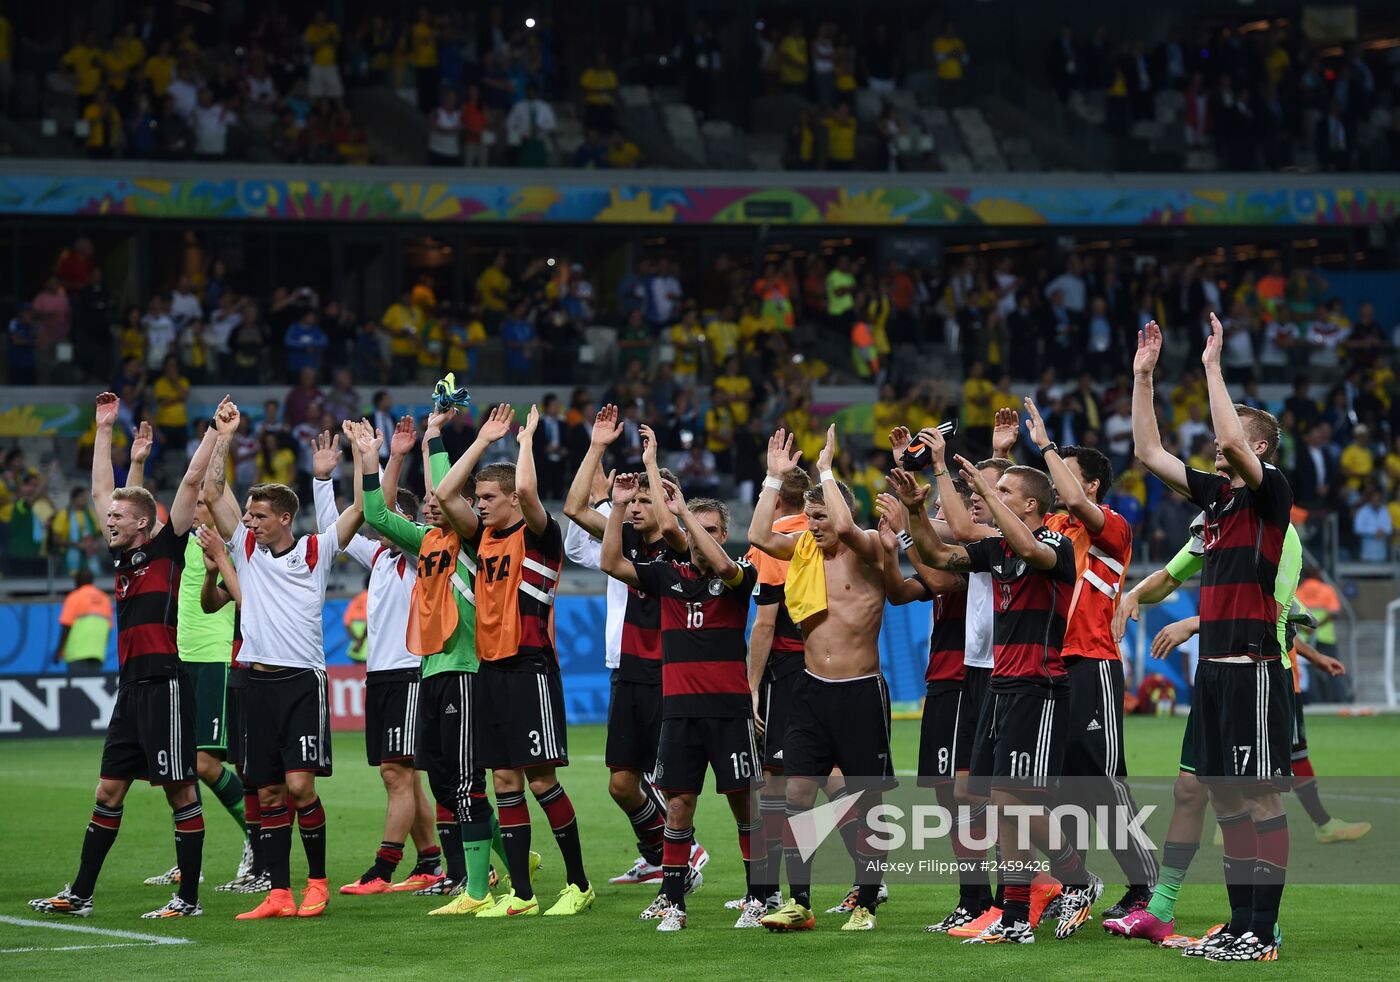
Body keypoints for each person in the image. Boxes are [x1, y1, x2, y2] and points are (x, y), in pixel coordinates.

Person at [893, 433, 1102, 944]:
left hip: (1039, 685)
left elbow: (1028, 547)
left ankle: (1071, 881)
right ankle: (1014, 913)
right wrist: (916, 513)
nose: (992, 496)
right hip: (999, 685)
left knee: (1013, 801)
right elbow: (940, 556)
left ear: (1030, 504)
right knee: (993, 798)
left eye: (1003, 491)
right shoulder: (996, 551)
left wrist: (956, 482)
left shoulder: (1054, 544)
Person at [1127, 315, 1292, 962]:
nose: (1217, 444)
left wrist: (1211, 367)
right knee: (1227, 799)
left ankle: (1262, 931)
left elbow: (1228, 432)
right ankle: (1239, 924)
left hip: (1252, 668)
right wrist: (1143, 379)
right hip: (1214, 674)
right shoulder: (1219, 503)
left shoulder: (1268, 491)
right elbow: (1149, 454)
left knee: (1259, 795)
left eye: (1234, 440)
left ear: (1258, 450)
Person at [30, 390, 225, 919]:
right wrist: (103, 428)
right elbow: (99, 488)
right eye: (109, 515)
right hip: (132, 687)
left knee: (180, 790)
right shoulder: (122, 559)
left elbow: (188, 483)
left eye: (119, 515)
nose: (108, 520)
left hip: (165, 682)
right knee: (108, 789)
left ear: (143, 522)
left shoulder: (165, 546)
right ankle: (81, 893)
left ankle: (187, 900)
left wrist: (212, 428)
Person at [203, 416, 365, 920]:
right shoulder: (245, 550)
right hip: (252, 681)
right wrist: (223, 436)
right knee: (268, 789)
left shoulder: (317, 551)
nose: (249, 522)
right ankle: (277, 893)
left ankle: (317, 883)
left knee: (299, 787)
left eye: (259, 515)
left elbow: (362, 509)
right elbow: (211, 489)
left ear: (284, 519)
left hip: (300, 680)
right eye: (248, 514)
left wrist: (340, 468)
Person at [435, 404, 594, 917]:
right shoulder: (483, 538)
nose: (477, 505)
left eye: (487, 497)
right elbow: (443, 494)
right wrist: (481, 441)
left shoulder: (540, 538)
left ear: (509, 500)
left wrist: (524, 442)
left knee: (541, 779)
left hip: (531, 669)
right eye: (477, 498)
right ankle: (523, 893)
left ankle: (579, 884)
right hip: (491, 671)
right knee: (504, 781)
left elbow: (528, 492)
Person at [358, 407, 514, 914]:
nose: (429, 505)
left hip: (468, 669)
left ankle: (476, 888)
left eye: (436, 499)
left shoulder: (475, 539)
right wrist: (370, 461)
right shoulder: (424, 541)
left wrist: (438, 439)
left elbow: (447, 489)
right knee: (445, 782)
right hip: (430, 671)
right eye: (424, 502)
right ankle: (512, 862)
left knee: (466, 782)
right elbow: (377, 516)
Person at [749, 426, 895, 932]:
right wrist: (772, 479)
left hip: (859, 691)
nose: (813, 526)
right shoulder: (804, 549)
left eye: (821, 517)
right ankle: (801, 902)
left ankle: (867, 902)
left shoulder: (869, 548)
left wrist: (828, 469)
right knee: (796, 797)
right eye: (809, 517)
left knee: (863, 800)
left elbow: (851, 529)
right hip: (809, 690)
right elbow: (758, 537)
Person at [1020, 397, 1159, 916]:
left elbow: (1076, 505)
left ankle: (1145, 886)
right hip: (1049, 665)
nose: (1055, 482)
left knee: (1103, 781)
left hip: (1092, 660)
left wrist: (1047, 445)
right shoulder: (1051, 526)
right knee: (1051, 783)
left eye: (1065, 474)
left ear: (1092, 484)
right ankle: (1075, 883)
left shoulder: (1111, 525)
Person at [602, 476, 759, 932]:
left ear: (724, 537)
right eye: (696, 531)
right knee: (678, 806)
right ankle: (673, 901)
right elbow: (611, 561)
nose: (703, 538)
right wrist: (616, 507)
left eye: (713, 531)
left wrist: (686, 517)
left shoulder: (741, 575)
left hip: (729, 710)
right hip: (679, 712)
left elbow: (725, 569)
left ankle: (758, 895)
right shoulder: (667, 576)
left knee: (743, 805)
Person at [562, 407, 708, 888]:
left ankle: (678, 860)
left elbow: (670, 529)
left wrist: (651, 465)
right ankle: (659, 852)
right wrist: (598, 448)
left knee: (669, 782)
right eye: (638, 500)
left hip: (671, 670)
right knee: (622, 784)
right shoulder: (622, 540)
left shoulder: (679, 544)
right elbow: (575, 510)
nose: (640, 505)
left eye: (649, 500)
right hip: (629, 669)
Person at [316, 421, 442, 896]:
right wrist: (324, 477)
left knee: (397, 772)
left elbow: (377, 506)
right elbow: (335, 530)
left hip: (411, 674)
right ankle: (433, 860)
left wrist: (389, 458)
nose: (372, 523)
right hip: (382, 677)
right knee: (405, 776)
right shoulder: (382, 559)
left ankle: (384, 868)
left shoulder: (419, 556)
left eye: (385, 518)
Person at [128, 422, 251, 891]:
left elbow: (222, 494)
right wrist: (138, 461)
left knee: (201, 762)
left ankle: (255, 840)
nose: (197, 507)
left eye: (204, 501)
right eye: (194, 501)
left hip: (212, 659)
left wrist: (222, 439)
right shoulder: (178, 544)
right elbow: (140, 515)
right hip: (176, 660)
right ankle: (188, 860)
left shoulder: (229, 544)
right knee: (176, 765)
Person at [742, 466, 811, 916]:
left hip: (787, 672)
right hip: (834, 669)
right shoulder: (829, 531)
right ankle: (869, 885)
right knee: (838, 780)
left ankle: (765, 892)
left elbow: (765, 623)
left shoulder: (770, 543)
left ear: (776, 500)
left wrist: (749, 687)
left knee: (774, 786)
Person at [53, 568, 112, 675]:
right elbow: (109, 628)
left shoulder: (75, 597)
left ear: (77, 580)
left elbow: (66, 626)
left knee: (77, 688)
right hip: (98, 652)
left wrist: (59, 651)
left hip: (77, 653)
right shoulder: (105, 599)